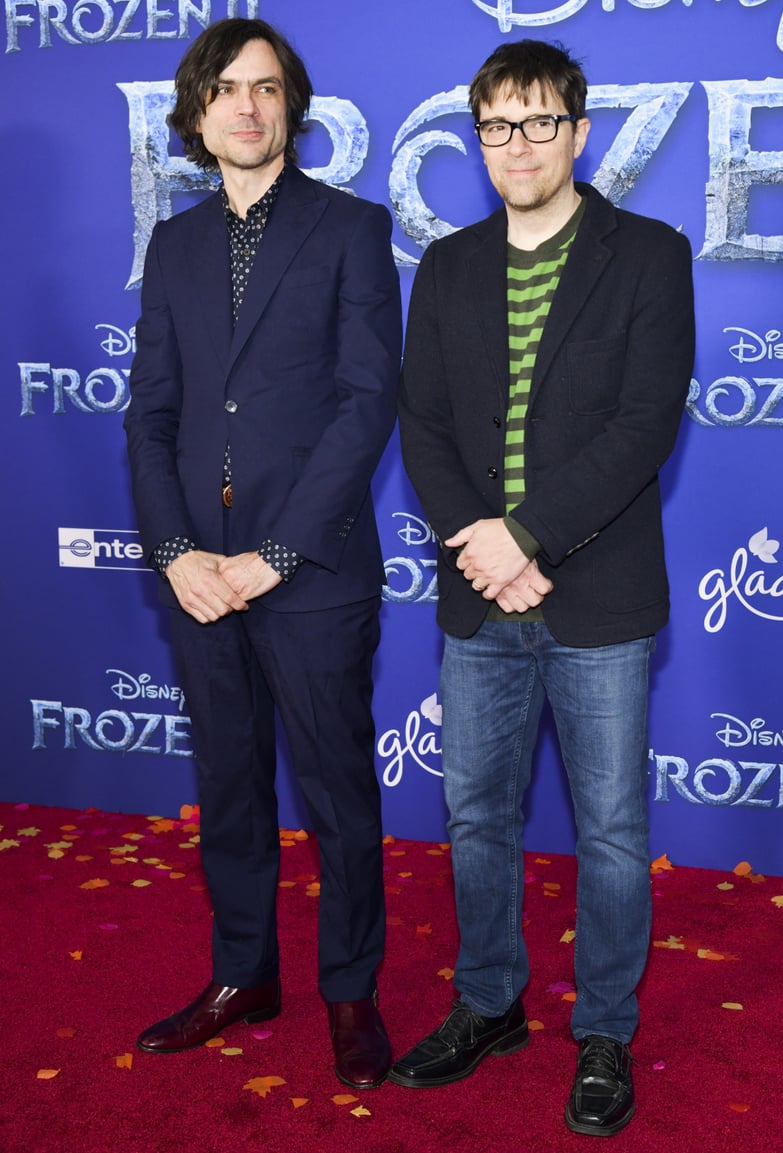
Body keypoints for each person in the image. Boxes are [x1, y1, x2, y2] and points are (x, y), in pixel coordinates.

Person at [390, 39, 695, 1135]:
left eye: (538, 121)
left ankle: (605, 1026)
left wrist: (525, 537)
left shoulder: (649, 254)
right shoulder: (448, 265)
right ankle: (489, 1005)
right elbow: (419, 424)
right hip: (479, 595)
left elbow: (641, 427)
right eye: (495, 125)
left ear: (576, 130)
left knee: (610, 827)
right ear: (478, 140)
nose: (516, 144)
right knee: (477, 816)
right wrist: (481, 547)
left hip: (596, 594)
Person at [124, 17, 402, 1090]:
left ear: (293, 105)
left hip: (312, 567)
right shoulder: (174, 246)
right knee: (229, 784)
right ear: (197, 113)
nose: (249, 106)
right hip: (199, 574)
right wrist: (176, 552)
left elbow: (367, 402)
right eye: (228, 89)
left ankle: (349, 990)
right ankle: (245, 974)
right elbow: (152, 414)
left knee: (338, 792)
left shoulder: (349, 226)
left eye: (269, 88)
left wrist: (277, 552)